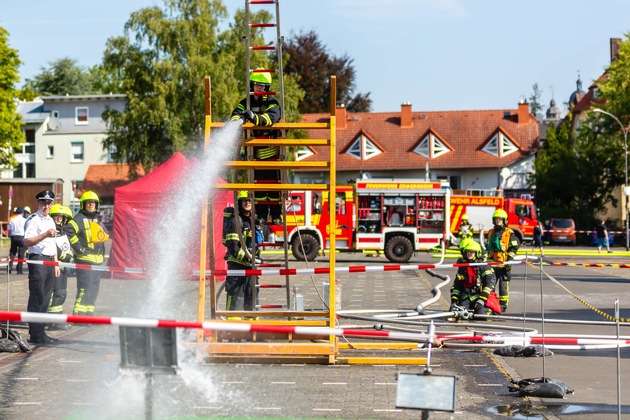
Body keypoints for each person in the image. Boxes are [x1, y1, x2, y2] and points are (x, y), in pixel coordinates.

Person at [231, 69, 282, 222]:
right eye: (257, 85)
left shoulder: (272, 102)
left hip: (271, 153)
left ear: (267, 88)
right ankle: (260, 215)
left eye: (263, 86)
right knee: (258, 186)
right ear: (252, 85)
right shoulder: (245, 102)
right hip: (254, 153)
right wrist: (238, 120)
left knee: (273, 186)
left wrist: (252, 117)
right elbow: (234, 114)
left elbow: (270, 118)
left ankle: (276, 214)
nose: (259, 89)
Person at [23, 190, 60, 345]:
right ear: (37, 204)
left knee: (46, 298)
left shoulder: (50, 220)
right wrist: (44, 234)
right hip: (38, 261)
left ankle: (41, 331)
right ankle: (35, 333)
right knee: (37, 297)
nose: (46, 206)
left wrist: (56, 262)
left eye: (48, 203)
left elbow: (53, 243)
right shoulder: (33, 220)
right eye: (43, 203)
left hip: (50, 261)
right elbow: (27, 242)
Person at [66, 191, 106, 316]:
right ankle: (78, 315)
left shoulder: (96, 219)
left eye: (93, 203)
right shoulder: (79, 219)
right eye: (88, 203)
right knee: (85, 288)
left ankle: (88, 314)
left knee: (94, 289)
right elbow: (70, 231)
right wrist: (80, 249)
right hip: (85, 260)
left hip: (97, 261)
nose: (91, 205)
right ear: (83, 204)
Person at [223, 191, 262, 319]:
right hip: (237, 267)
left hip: (251, 267)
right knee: (236, 298)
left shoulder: (252, 220)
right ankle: (233, 334)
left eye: (250, 200)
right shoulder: (235, 221)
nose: (247, 203)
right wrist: (248, 258)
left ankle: (252, 330)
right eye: (244, 200)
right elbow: (233, 246)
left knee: (252, 295)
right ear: (239, 202)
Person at [450, 240, 499, 317]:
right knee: (459, 312)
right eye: (468, 252)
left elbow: (490, 283)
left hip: (481, 295)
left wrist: (482, 299)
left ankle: (489, 310)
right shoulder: (463, 266)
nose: (469, 254)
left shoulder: (483, 265)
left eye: (472, 252)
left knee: (481, 315)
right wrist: (454, 300)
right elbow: (457, 284)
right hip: (468, 295)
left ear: (477, 253)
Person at [486, 209, 520, 313]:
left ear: (504, 220)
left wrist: (509, 262)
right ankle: (491, 304)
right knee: (489, 285)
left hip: (504, 265)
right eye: (496, 219)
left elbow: (514, 248)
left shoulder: (509, 233)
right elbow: (487, 248)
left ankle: (502, 305)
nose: (498, 221)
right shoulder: (491, 232)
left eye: (500, 219)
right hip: (492, 264)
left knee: (503, 287)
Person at [47, 204, 74, 330]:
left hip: (63, 268)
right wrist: (64, 255)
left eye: (61, 217)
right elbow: (53, 248)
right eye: (56, 216)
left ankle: (55, 319)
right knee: (56, 293)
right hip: (54, 268)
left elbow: (66, 247)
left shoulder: (63, 232)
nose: (59, 219)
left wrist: (70, 257)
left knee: (61, 293)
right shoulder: (51, 232)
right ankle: (53, 321)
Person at [7, 207, 27, 274]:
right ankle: (19, 270)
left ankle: (9, 267)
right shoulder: (25, 220)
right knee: (21, 254)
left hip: (14, 236)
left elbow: (9, 230)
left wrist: (10, 235)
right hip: (22, 237)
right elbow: (26, 230)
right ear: (22, 213)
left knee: (12, 252)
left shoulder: (12, 220)